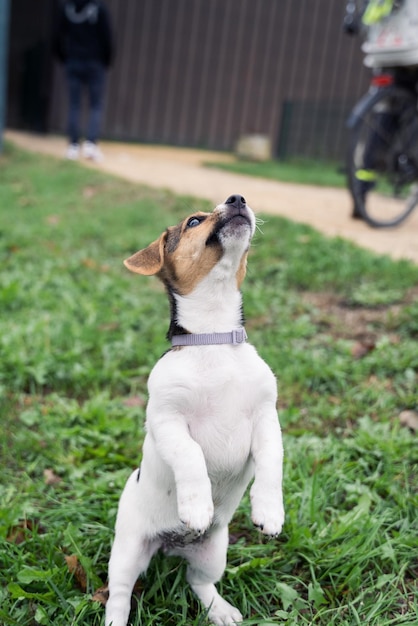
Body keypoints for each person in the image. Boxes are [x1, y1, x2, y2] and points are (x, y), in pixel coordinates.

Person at [53, 0, 114, 161]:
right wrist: (106, 61)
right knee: (96, 105)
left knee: (74, 105)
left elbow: (57, 35)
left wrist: (64, 58)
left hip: (73, 61)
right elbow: (107, 37)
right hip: (95, 63)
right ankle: (91, 144)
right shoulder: (99, 8)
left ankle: (73, 146)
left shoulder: (66, 8)